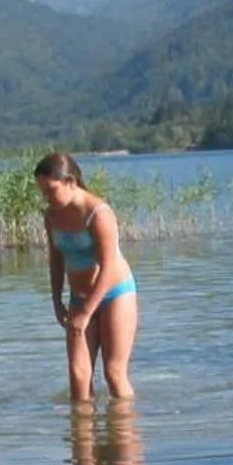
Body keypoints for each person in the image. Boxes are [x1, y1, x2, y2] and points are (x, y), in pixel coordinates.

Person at [35, 152, 137, 401]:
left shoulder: (99, 213)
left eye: (51, 190)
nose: (46, 197)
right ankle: (82, 438)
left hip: (115, 294)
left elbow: (109, 266)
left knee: (114, 373)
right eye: (42, 192)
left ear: (71, 182)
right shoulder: (51, 216)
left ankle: (123, 436)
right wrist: (57, 301)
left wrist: (87, 313)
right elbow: (56, 260)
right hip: (79, 299)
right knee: (79, 380)